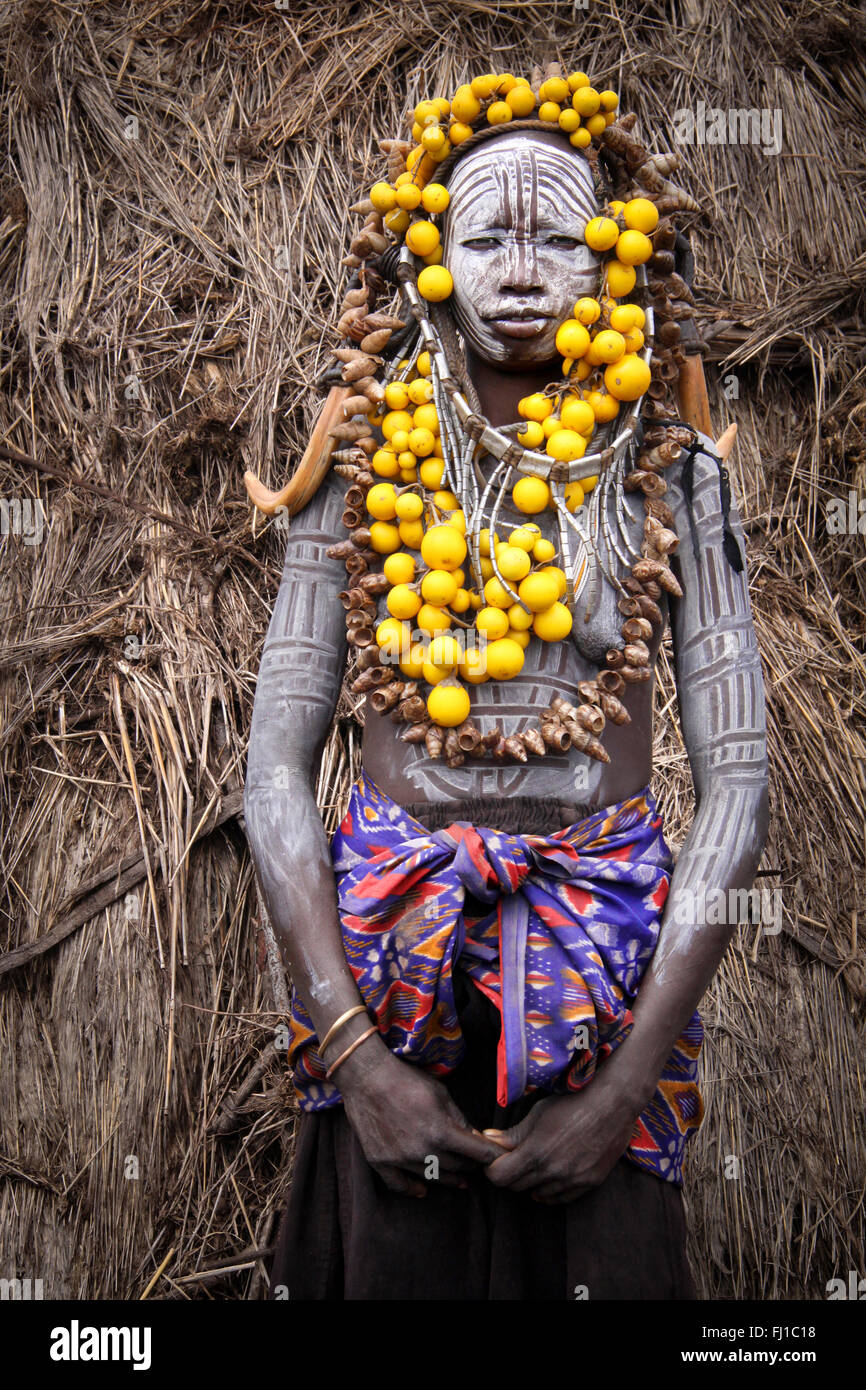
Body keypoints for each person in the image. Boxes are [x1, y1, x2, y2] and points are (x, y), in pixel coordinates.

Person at [244, 67, 769, 1300]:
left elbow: (738, 789)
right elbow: (272, 767)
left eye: (559, 234)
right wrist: (356, 1057)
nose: (520, 269)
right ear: (431, 254)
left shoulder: (672, 478)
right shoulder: (360, 455)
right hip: (387, 982)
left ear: (617, 257)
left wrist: (628, 1085)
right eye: (484, 234)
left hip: (604, 999)